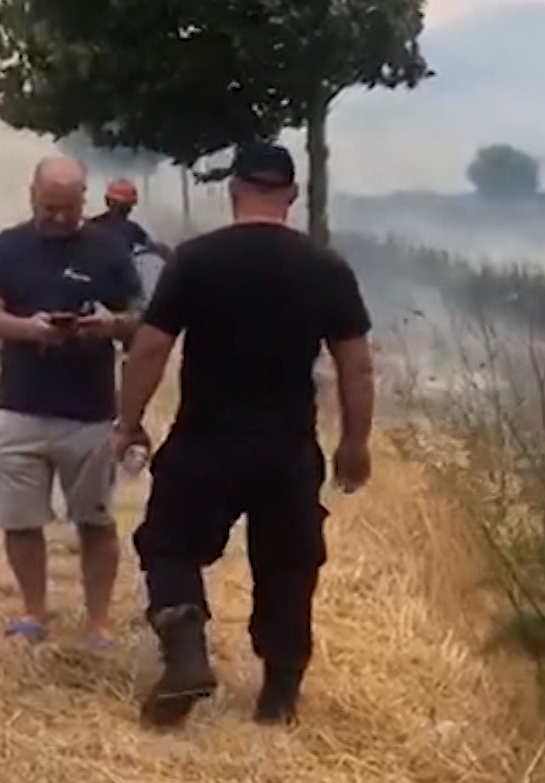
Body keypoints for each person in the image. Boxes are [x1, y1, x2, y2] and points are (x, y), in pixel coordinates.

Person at [111, 142, 375, 729]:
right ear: (293, 195)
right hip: (286, 449)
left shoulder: (196, 260)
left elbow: (152, 346)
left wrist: (128, 423)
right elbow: (356, 364)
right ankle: (278, 697)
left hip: (205, 439)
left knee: (170, 546)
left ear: (232, 190)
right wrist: (355, 443)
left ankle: (185, 657)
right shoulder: (325, 267)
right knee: (287, 566)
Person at [0, 155, 144, 648]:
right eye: (50, 207)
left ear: (84, 201)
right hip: (20, 405)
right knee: (21, 519)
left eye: (68, 209)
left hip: (88, 411)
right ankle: (32, 612)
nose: (59, 218)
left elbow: (137, 313)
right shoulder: (8, 247)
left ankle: (98, 623)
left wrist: (108, 326)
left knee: (94, 519)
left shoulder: (108, 250)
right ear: (32, 196)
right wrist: (28, 329)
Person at [87, 178, 174, 261]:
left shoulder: (90, 226)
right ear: (130, 206)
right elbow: (156, 250)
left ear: (107, 201)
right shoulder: (134, 231)